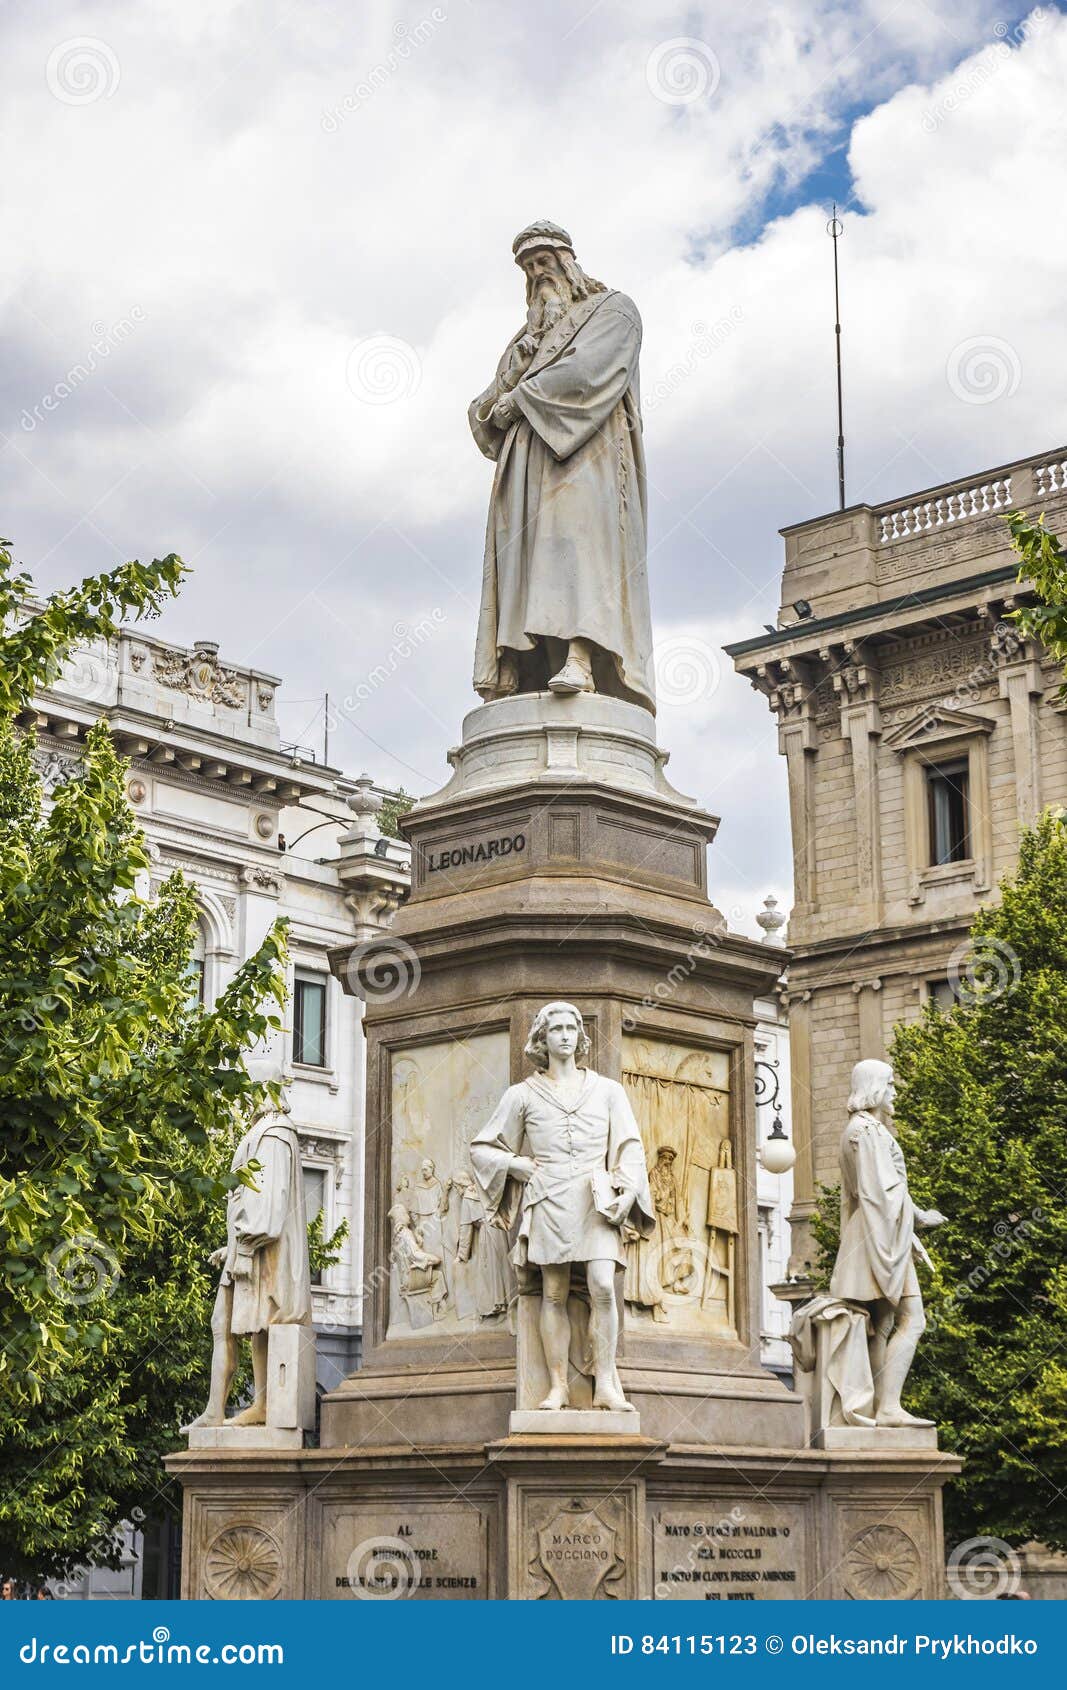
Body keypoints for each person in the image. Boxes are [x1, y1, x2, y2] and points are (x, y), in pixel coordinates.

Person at [468, 222, 654, 710]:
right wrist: (503, 389)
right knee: (526, 559)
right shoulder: (525, 337)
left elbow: (589, 373)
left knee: (576, 546)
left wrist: (520, 398)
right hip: (524, 466)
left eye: (543, 262)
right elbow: (487, 403)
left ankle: (583, 656)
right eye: (528, 269)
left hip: (582, 455)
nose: (536, 274)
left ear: (567, 260)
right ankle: (524, 665)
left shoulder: (613, 310)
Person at [471, 1001, 654, 1411]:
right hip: (549, 1194)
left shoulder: (608, 1091)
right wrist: (515, 1163)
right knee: (552, 1290)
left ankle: (606, 1382)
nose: (566, 1035)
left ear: (581, 1036)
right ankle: (558, 1386)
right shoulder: (522, 1095)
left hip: (596, 1195)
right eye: (556, 1029)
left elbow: (629, 1146)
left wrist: (627, 1191)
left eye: (572, 1028)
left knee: (604, 1285)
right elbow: (483, 1147)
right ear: (543, 1038)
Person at [829, 1059, 946, 1427]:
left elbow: (877, 1191)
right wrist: (919, 1219)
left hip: (871, 1231)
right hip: (879, 1234)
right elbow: (881, 1192)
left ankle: (881, 1407)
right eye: (891, 1085)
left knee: (881, 1324)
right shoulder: (868, 1132)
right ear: (876, 1088)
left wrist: (912, 1219)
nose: (895, 1092)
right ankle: (889, 1407)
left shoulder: (857, 1131)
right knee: (914, 1319)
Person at [187, 1096, 312, 1428]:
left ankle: (259, 1406)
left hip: (258, 1252)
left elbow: (268, 1205)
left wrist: (242, 1241)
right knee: (235, 1324)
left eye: (248, 1091)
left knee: (256, 1325)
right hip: (248, 1250)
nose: (242, 1100)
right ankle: (225, 1409)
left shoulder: (273, 1134)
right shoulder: (266, 1131)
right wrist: (232, 1246)